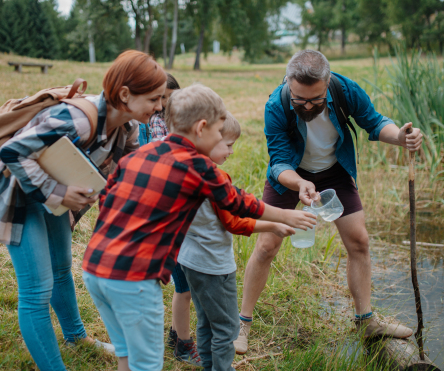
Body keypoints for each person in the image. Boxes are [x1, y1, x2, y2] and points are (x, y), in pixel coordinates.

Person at [82, 83, 317, 371]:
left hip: (94, 268)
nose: (221, 137)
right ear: (201, 127)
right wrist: (285, 215)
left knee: (128, 354)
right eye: (219, 131)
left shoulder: (142, 153)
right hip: (134, 278)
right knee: (146, 363)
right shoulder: (197, 165)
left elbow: (106, 198)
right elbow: (238, 202)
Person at [0, 50, 167, 371]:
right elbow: (11, 151)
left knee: (60, 269)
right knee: (36, 290)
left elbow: (134, 177)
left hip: (55, 198)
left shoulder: (126, 129)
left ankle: (75, 336)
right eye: (154, 99)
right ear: (125, 94)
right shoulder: (78, 120)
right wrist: (59, 192)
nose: (159, 107)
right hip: (20, 197)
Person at [234, 49, 424, 354]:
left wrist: (399, 137)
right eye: (300, 99)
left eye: (316, 100)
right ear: (288, 84)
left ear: (328, 84)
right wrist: (300, 183)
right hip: (290, 176)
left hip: (334, 171)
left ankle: (366, 321)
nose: (307, 106)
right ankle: (241, 323)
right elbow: (279, 162)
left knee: (359, 241)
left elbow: (374, 123)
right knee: (267, 245)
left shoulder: (344, 89)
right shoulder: (277, 103)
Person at [178, 112, 295, 371]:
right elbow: (233, 222)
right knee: (227, 327)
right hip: (213, 265)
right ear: (207, 136)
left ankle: (209, 366)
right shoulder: (214, 178)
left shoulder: (183, 168)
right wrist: (275, 224)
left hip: (189, 259)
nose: (231, 152)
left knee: (206, 319)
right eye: (228, 145)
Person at [136, 73, 201, 366]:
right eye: (160, 99)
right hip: (162, 218)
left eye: (169, 99)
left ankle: (177, 334)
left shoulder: (165, 124)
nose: (163, 105)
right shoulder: (150, 128)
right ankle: (182, 344)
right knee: (183, 285)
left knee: (182, 283)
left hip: (171, 215)